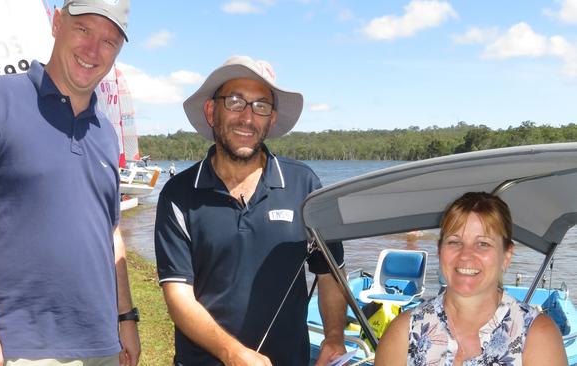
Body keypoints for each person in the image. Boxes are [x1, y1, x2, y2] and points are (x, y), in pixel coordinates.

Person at [0, 1, 141, 365]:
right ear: (57, 23)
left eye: (109, 42)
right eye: (83, 30)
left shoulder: (106, 132)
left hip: (102, 344)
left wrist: (125, 317)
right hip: (20, 346)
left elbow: (110, 233)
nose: (93, 50)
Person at [154, 55, 348, 366]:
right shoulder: (178, 195)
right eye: (235, 101)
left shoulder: (304, 185)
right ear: (211, 111)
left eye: (261, 106)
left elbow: (330, 275)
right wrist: (233, 354)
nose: (247, 117)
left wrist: (335, 336)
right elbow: (178, 295)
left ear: (271, 119)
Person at [375, 192, 567, 365]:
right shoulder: (403, 334)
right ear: (440, 251)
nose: (466, 255)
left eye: (483, 243)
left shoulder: (537, 337)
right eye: (455, 242)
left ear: (506, 257)